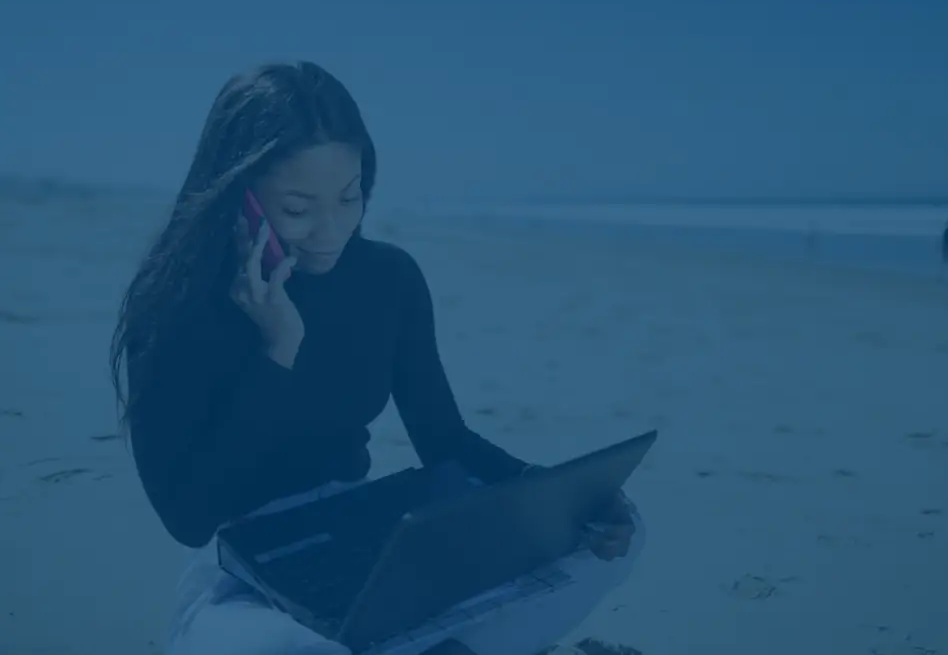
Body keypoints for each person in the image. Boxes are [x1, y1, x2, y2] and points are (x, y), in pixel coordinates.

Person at [109, 61, 645, 655]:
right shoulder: (175, 305)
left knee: (620, 538)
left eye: (348, 197)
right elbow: (190, 517)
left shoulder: (388, 278)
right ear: (241, 195)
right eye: (297, 209)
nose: (330, 230)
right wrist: (277, 350)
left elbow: (445, 441)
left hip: (371, 546)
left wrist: (559, 494)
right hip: (240, 587)